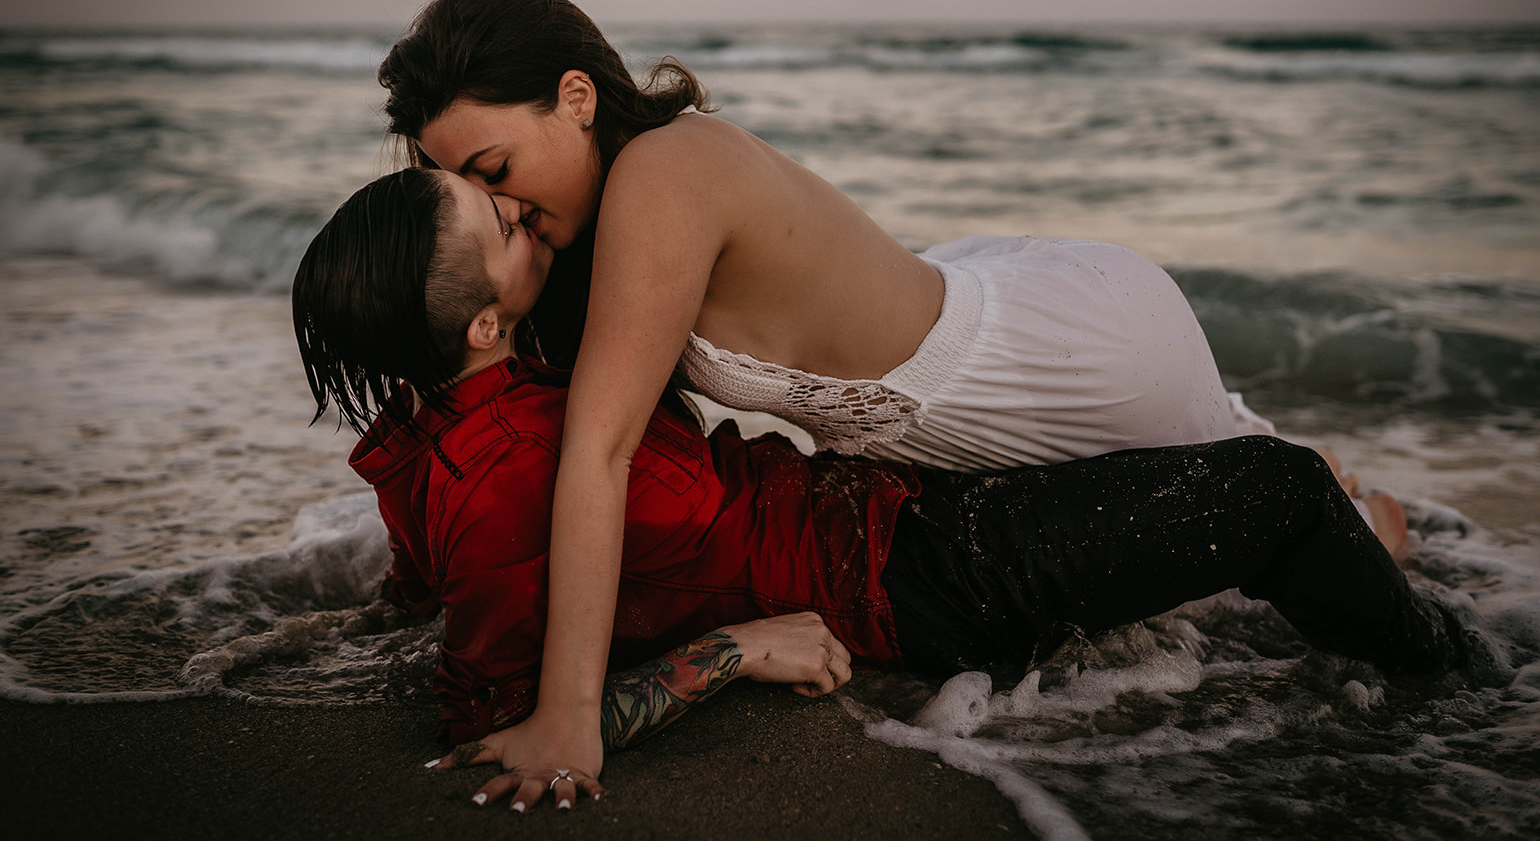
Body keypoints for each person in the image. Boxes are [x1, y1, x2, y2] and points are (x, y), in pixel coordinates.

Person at [292, 168, 1473, 814]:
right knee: (1274, 491)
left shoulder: (433, 420)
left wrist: (374, 606)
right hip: (918, 582)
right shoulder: (495, 474)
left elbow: (426, 566)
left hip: (884, 498)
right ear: (482, 321)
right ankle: (1470, 682)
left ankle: (1359, 544)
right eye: (503, 223)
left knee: (1219, 474)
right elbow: (496, 725)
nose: (521, 210)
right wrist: (731, 651)